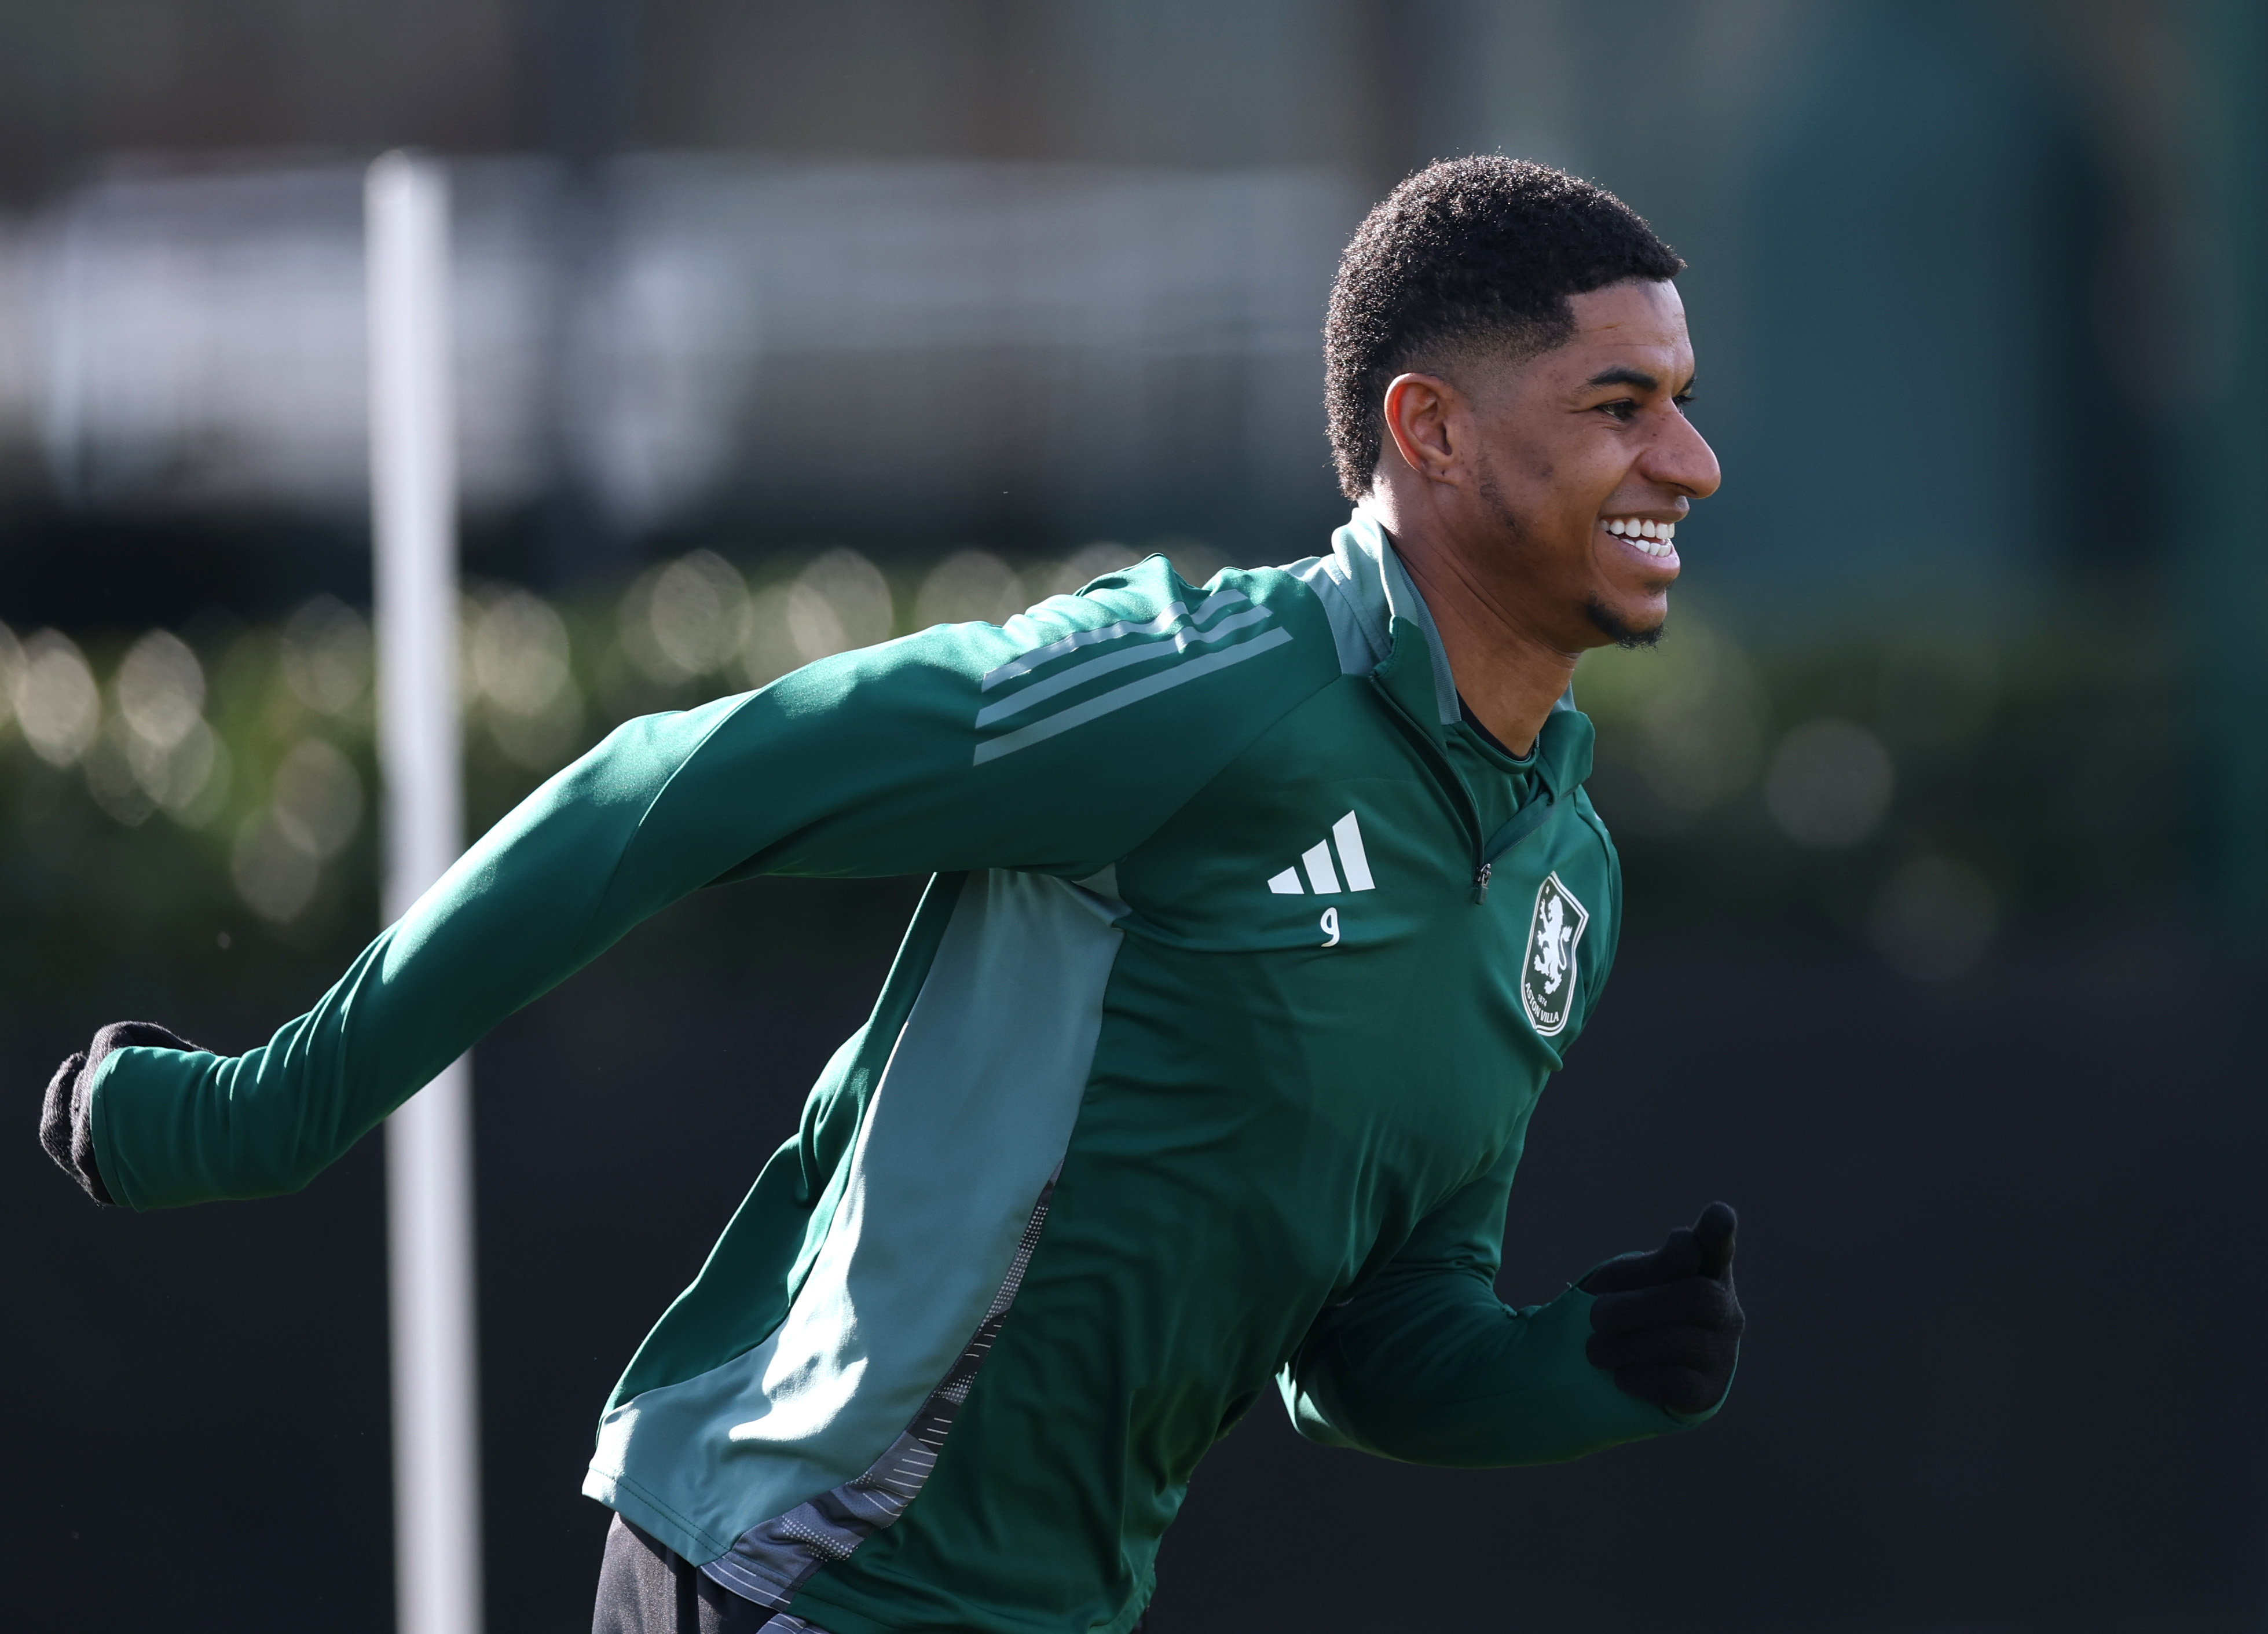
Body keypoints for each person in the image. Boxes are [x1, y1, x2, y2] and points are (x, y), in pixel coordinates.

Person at [41, 156, 1741, 1634]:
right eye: (1618, 404)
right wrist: (266, 1113)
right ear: (1428, 431)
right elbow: (669, 784)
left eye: (1680, 397)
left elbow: (1362, 1345)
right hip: (800, 1572)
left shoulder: (1558, 880)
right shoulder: (1211, 684)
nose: (1692, 460)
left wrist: (1570, 1373)